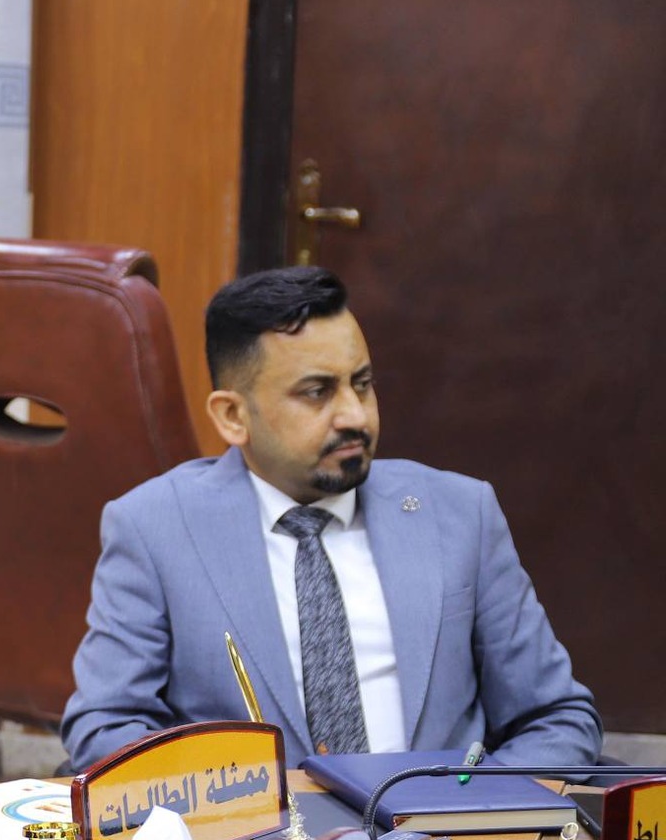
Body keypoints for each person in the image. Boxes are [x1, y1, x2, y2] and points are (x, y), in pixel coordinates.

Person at [61, 266, 599, 772]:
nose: (355, 416)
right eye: (317, 393)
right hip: (254, 837)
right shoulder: (155, 529)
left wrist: (471, 809)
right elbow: (105, 727)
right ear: (233, 416)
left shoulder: (460, 514)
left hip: (439, 830)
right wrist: (237, 808)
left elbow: (557, 717)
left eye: (362, 383)